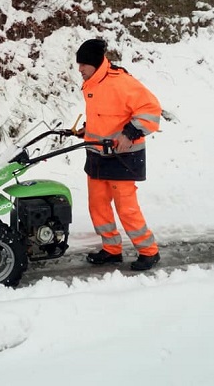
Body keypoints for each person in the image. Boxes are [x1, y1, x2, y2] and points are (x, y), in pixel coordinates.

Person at [75, 38, 162, 271]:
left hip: (123, 156)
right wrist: (87, 129)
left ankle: (148, 251)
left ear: (95, 63)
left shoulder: (121, 82)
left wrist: (130, 132)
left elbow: (151, 110)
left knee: (126, 208)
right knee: (98, 206)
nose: (79, 69)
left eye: (83, 64)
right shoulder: (92, 83)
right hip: (96, 154)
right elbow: (107, 115)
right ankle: (112, 250)